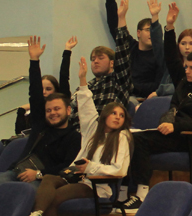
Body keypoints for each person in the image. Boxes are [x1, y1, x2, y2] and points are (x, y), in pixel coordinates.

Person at [119, 49, 192, 211]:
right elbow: (173, 107)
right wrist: (167, 121)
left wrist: (176, 126)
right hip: (174, 133)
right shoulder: (184, 84)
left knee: (139, 141)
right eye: (186, 67)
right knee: (126, 137)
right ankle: (122, 193)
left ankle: (141, 194)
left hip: (190, 139)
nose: (187, 71)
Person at [30, 58, 132, 216]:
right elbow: (86, 106)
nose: (118, 117)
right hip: (77, 178)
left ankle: (38, 213)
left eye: (121, 115)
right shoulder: (93, 131)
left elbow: (120, 169)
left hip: (96, 187)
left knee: (55, 197)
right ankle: (36, 213)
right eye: (113, 113)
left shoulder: (122, 137)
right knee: (49, 179)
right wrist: (83, 79)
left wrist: (90, 167)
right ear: (105, 115)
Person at [0, 38, 81, 195]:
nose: (52, 113)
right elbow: (35, 93)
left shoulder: (74, 137)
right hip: (18, 172)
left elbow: (66, 166)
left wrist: (39, 174)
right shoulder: (40, 125)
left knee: (25, 193)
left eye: (57, 109)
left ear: (68, 110)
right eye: (49, 110)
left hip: (43, 179)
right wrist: (34, 60)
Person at [105, 0, 163, 99]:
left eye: (153, 31)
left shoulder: (159, 55)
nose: (151, 34)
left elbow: (157, 85)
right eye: (148, 30)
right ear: (138, 33)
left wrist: (132, 87)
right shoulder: (130, 46)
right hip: (123, 95)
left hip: (144, 99)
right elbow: (115, 25)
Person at [89, 0, 136, 112]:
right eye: (93, 59)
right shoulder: (88, 86)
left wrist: (121, 18)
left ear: (112, 63)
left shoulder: (119, 81)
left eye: (100, 58)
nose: (95, 61)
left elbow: (122, 51)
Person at [15, 37, 74, 135]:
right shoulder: (37, 108)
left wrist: (67, 51)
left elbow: (64, 78)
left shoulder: (63, 101)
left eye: (48, 89)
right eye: (41, 89)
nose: (44, 92)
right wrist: (34, 59)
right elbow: (35, 88)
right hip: (39, 140)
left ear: (56, 91)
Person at [147, 3, 192, 99]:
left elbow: (185, 86)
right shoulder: (170, 63)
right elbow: (157, 44)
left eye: (191, 43)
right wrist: (155, 17)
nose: (187, 47)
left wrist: (160, 91)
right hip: (164, 101)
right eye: (183, 43)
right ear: (178, 45)